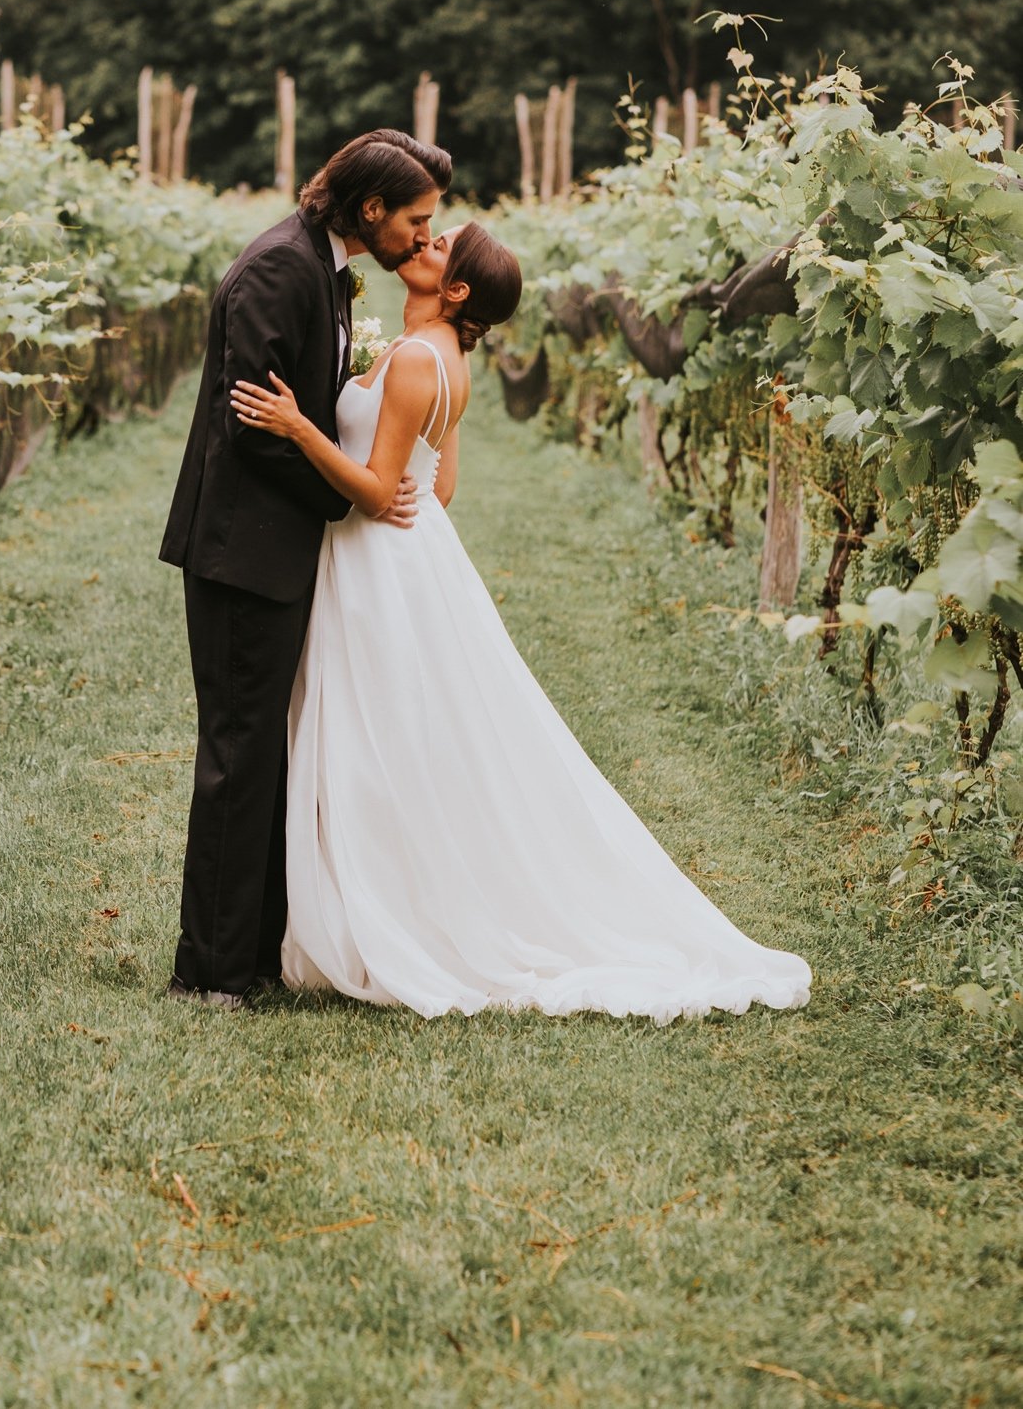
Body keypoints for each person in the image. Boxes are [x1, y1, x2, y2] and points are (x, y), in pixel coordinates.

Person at [230, 221, 812, 1022]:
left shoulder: (410, 360)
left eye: (439, 248)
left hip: (379, 564)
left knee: (379, 738)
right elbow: (438, 491)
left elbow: (373, 493)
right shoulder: (448, 361)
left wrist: (298, 426)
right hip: (415, 557)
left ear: (457, 289)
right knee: (408, 734)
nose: (421, 246)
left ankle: (387, 908)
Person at [159, 128, 452, 1007]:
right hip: (241, 549)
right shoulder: (279, 271)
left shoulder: (322, 267)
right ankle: (207, 973)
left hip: (274, 551)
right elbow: (254, 423)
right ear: (372, 211)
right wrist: (349, 492)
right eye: (418, 219)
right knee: (238, 752)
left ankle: (252, 956)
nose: (423, 235)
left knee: (266, 755)